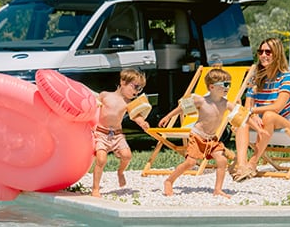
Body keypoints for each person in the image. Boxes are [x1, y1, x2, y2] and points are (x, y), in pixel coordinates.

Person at [159, 67, 234, 198]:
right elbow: (181, 108)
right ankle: (169, 181)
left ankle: (218, 189)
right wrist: (167, 117)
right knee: (190, 163)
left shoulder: (226, 103)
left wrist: (251, 120)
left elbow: (240, 113)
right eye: (225, 84)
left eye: (230, 84)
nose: (228, 87)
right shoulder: (201, 100)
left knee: (221, 161)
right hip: (197, 136)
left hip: (212, 139)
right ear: (211, 87)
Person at [233, 37, 290, 182]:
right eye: (260, 51)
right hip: (262, 126)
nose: (263, 55)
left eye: (268, 52)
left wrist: (253, 112)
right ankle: (242, 165)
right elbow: (248, 107)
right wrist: (251, 115)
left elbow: (277, 107)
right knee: (242, 117)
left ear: (277, 54)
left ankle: (253, 163)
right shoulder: (255, 78)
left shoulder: (286, 78)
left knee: (269, 115)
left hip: (289, 126)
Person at [91, 68, 155, 197]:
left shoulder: (129, 103)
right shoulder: (105, 95)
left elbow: (135, 115)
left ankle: (120, 172)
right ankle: (95, 189)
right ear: (123, 82)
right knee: (101, 160)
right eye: (135, 87)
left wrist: (142, 122)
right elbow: (93, 103)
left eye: (140, 89)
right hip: (102, 133)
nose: (136, 92)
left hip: (117, 135)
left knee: (127, 156)